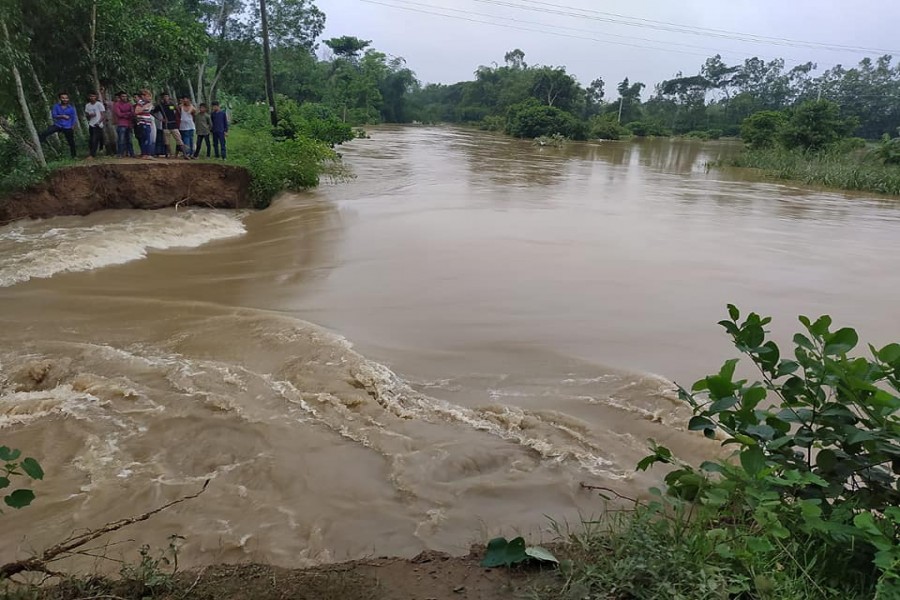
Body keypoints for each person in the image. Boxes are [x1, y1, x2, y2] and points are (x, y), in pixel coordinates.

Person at [39, 92, 77, 158]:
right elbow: (54, 115)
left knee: (71, 142)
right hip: (58, 125)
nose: (65, 99)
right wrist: (62, 116)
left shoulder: (71, 108)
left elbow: (73, 118)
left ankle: (74, 156)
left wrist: (72, 126)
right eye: (63, 98)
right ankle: (40, 143)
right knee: (46, 132)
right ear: (60, 99)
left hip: (68, 127)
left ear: (68, 99)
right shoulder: (56, 106)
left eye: (66, 98)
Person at [156, 93, 189, 159]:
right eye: (164, 97)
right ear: (162, 98)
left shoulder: (172, 104)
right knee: (167, 141)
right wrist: (159, 119)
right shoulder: (160, 106)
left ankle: (185, 155)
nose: (166, 98)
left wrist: (174, 105)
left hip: (173, 124)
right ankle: (170, 154)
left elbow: (178, 111)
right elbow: (152, 112)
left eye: (167, 96)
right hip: (166, 125)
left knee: (179, 140)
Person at [134, 89, 155, 159]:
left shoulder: (148, 103)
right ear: (143, 96)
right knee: (146, 138)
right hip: (143, 123)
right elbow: (136, 111)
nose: (149, 98)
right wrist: (145, 106)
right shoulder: (141, 103)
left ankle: (145, 154)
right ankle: (146, 154)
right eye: (148, 96)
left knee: (146, 138)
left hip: (147, 122)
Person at [113, 91, 135, 158]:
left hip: (129, 124)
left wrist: (125, 114)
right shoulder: (117, 104)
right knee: (121, 140)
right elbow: (119, 114)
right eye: (123, 96)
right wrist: (127, 113)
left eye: (125, 96)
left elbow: (133, 113)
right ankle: (120, 154)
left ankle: (131, 154)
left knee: (129, 140)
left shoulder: (129, 104)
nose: (124, 98)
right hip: (121, 124)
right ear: (120, 97)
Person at [84, 92, 106, 159]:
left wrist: (99, 122)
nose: (92, 98)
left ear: (96, 97)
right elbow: (87, 115)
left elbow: (103, 115)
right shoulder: (87, 105)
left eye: (93, 96)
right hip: (91, 124)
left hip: (98, 124)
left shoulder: (99, 104)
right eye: (91, 96)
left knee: (95, 139)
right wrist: (89, 115)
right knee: (91, 139)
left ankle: (92, 154)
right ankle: (91, 152)